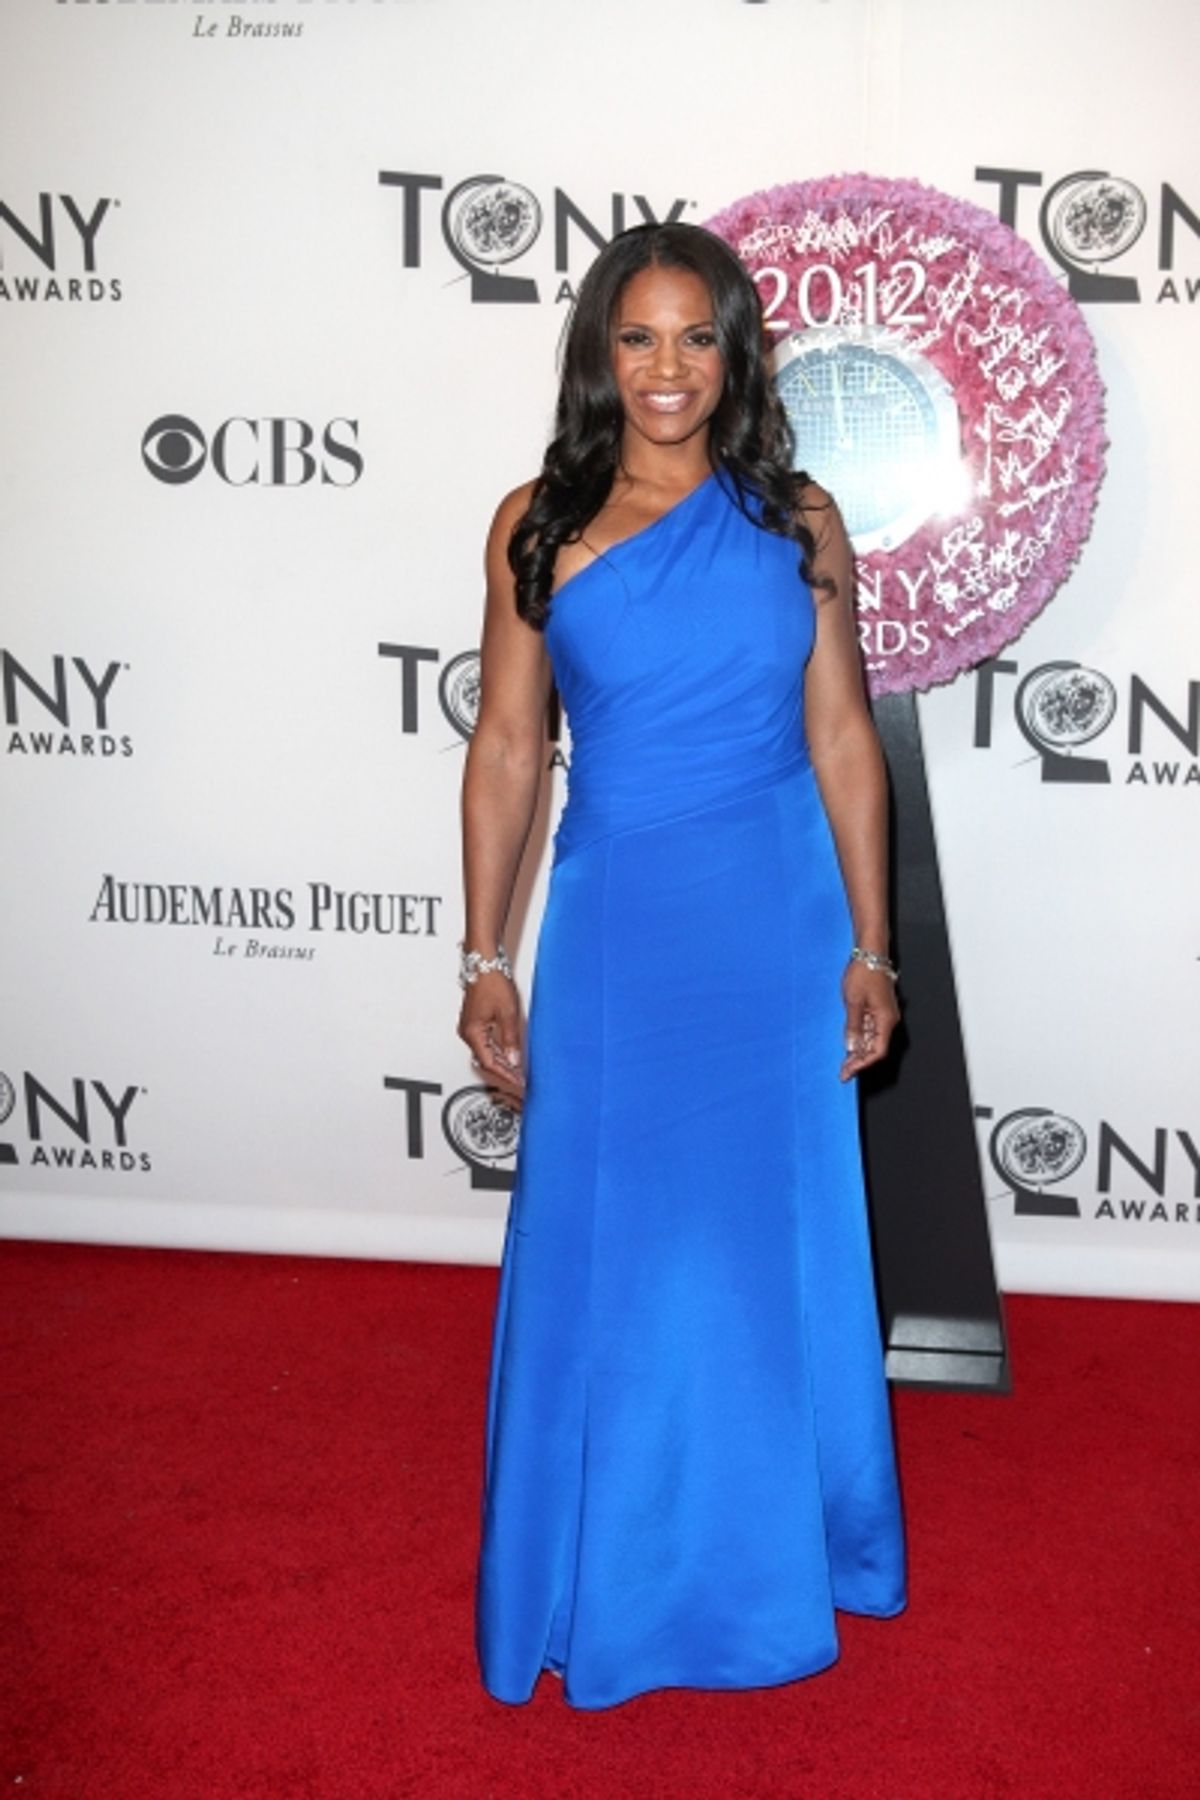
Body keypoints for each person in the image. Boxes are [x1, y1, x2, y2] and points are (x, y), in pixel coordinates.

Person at [457, 221, 906, 1711]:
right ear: (599, 352)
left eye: (695, 338)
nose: (666, 370)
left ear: (736, 350)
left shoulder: (798, 519)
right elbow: (510, 749)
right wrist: (483, 955)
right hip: (620, 928)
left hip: (773, 926)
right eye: (636, 339)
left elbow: (843, 738)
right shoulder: (541, 522)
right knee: (622, 1252)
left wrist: (871, 944)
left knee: (767, 1248)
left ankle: (784, 1544)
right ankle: (625, 1575)